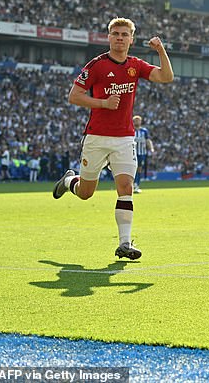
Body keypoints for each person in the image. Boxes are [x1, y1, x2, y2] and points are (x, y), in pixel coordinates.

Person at [52, 17, 174, 260]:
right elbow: (74, 96)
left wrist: (160, 50)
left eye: (124, 34)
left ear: (131, 39)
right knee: (87, 193)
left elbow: (166, 77)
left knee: (126, 187)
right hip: (96, 137)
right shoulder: (96, 65)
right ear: (109, 37)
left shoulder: (136, 65)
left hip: (124, 138)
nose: (120, 38)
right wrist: (103, 103)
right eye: (115, 33)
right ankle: (69, 182)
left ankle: (125, 243)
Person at [133, 115, 154, 193]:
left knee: (139, 169)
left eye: (139, 120)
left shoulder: (144, 131)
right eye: (136, 120)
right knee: (133, 169)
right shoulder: (131, 130)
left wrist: (151, 148)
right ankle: (134, 184)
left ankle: (136, 185)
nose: (137, 122)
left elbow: (148, 140)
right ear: (133, 122)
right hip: (132, 153)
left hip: (142, 153)